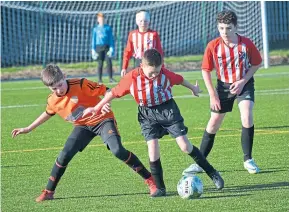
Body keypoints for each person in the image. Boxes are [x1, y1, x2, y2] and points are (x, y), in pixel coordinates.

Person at [82, 49, 225, 197]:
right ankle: (160, 188)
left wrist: (193, 88)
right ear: (141, 65)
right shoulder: (132, 77)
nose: (155, 75)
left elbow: (180, 79)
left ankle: (212, 173)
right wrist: (96, 108)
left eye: (157, 71)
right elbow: (113, 93)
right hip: (147, 114)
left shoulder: (164, 74)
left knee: (185, 146)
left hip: (167, 110)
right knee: (152, 149)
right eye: (151, 73)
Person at [11, 64, 158, 202]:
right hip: (82, 126)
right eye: (53, 88)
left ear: (65, 76)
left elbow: (108, 91)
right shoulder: (53, 100)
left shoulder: (81, 84)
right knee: (64, 155)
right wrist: (28, 128)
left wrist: (106, 103)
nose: (58, 91)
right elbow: (48, 112)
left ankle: (150, 179)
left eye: (60, 85)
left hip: (102, 120)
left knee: (118, 150)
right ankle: (49, 192)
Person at [183, 10, 262, 176]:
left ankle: (248, 159)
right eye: (221, 28)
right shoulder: (213, 46)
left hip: (244, 84)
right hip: (223, 87)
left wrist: (242, 81)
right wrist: (212, 94)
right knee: (214, 123)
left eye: (228, 28)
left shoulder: (246, 44)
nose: (224, 32)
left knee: (246, 115)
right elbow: (205, 70)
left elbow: (256, 63)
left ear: (235, 27)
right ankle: (200, 162)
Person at [121, 10, 164, 77]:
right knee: (138, 83)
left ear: (149, 21)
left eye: (145, 21)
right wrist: (124, 67)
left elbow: (159, 51)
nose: (143, 23)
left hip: (151, 62)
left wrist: (162, 66)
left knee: (151, 83)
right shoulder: (132, 34)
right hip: (138, 62)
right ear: (137, 22)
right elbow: (128, 52)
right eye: (141, 21)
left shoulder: (154, 34)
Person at [91, 13, 116, 83]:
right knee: (100, 63)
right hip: (99, 47)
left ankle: (111, 78)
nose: (102, 20)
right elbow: (94, 39)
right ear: (98, 20)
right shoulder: (95, 29)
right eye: (100, 18)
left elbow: (111, 39)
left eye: (103, 18)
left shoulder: (108, 28)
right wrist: (93, 49)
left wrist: (111, 48)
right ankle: (99, 79)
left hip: (107, 47)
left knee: (109, 62)